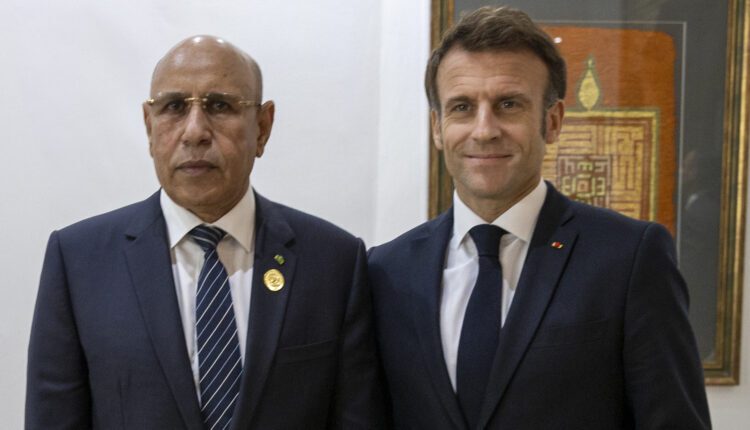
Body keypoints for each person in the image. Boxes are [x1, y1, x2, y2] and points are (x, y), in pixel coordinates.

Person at [368, 7, 710, 429]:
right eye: (462, 107)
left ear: (552, 121)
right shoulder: (386, 270)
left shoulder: (630, 258)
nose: (484, 130)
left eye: (508, 104)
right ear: (438, 127)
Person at [26, 35, 385, 429]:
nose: (194, 131)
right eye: (174, 107)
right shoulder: (79, 262)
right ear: (149, 126)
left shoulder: (333, 262)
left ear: (262, 127)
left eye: (220, 106)